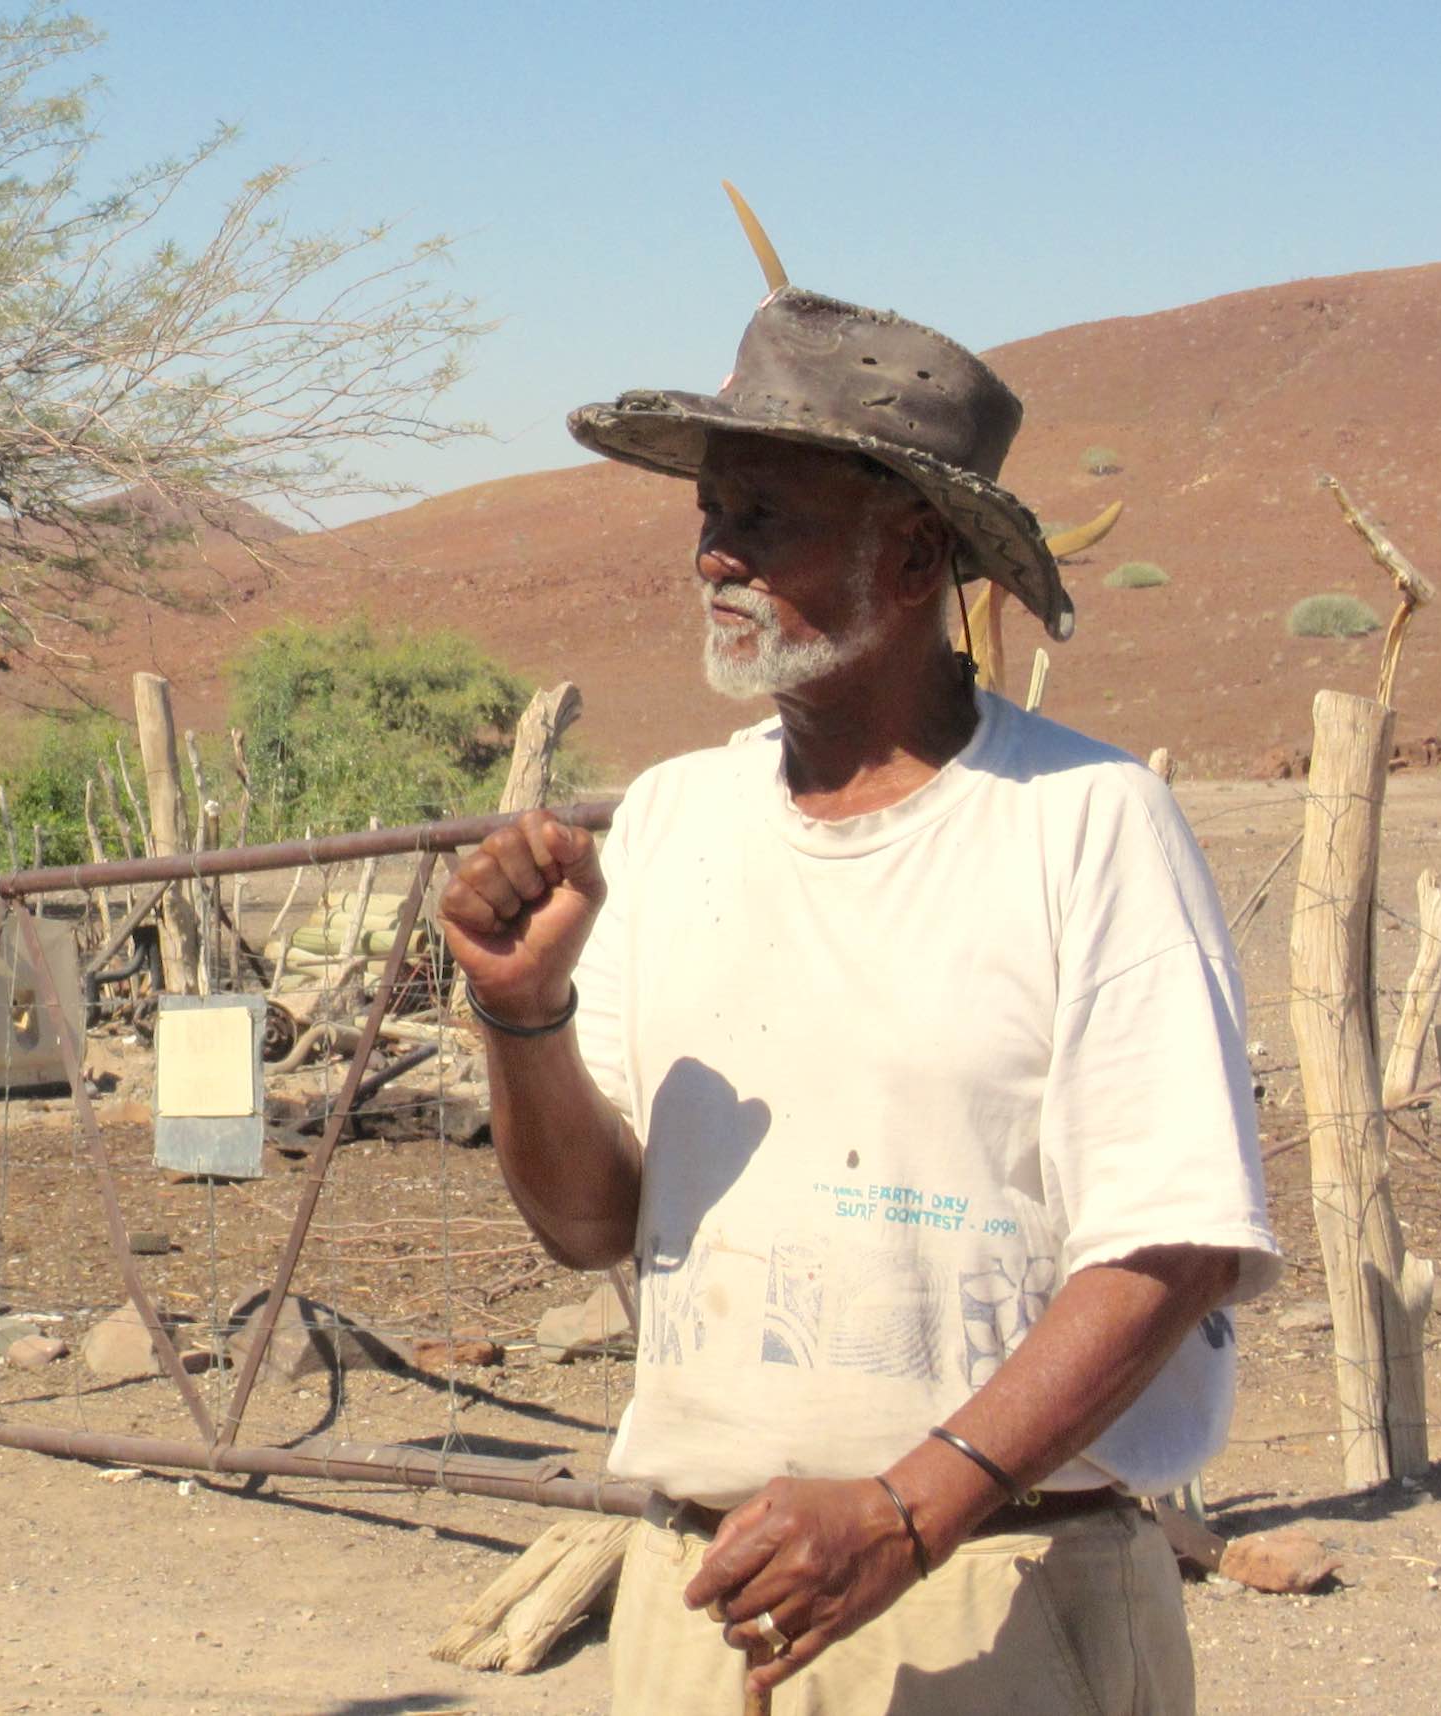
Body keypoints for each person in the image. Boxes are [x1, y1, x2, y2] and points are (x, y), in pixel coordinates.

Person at [439, 285, 1277, 1714]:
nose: (715, 553)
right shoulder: (678, 820)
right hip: (702, 1597)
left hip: (997, 1592)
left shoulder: (1084, 821)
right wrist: (524, 1017)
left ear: (917, 554)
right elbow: (591, 1226)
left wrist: (906, 1513)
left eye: (767, 516)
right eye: (712, 511)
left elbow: (1172, 1243)